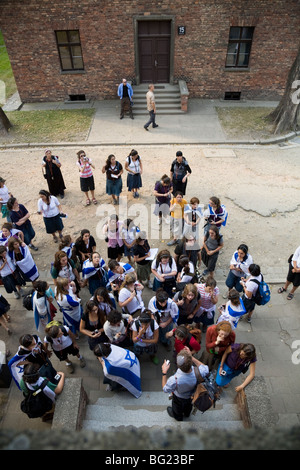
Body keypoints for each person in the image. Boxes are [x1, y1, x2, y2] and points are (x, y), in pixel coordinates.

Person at [162, 348, 209, 421]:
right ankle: (187, 414)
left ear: (178, 365)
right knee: (189, 406)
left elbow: (165, 389)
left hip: (178, 398)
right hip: (191, 396)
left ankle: (178, 417)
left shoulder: (174, 379)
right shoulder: (198, 372)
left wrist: (164, 372)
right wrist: (192, 357)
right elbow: (206, 368)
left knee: (177, 409)